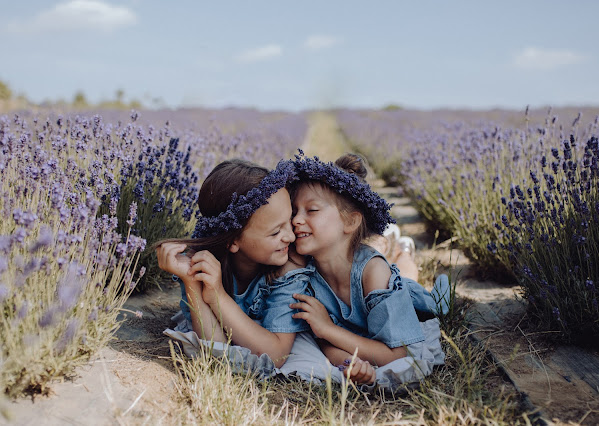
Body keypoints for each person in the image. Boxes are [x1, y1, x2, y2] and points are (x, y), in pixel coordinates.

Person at [286, 152, 450, 390]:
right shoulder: (305, 272)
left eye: (311, 210)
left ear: (350, 222)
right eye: (294, 211)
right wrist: (350, 363)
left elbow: (395, 355)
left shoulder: (373, 273)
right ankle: (391, 246)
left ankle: (403, 251)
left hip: (405, 302)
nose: (296, 220)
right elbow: (324, 342)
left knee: (408, 281)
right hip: (363, 313)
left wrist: (328, 328)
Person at [156, 159, 312, 373]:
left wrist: (218, 296)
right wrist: (191, 281)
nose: (291, 236)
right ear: (232, 241)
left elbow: (276, 355)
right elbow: (214, 348)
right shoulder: (203, 263)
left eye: (290, 220)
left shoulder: (289, 269)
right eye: (276, 232)